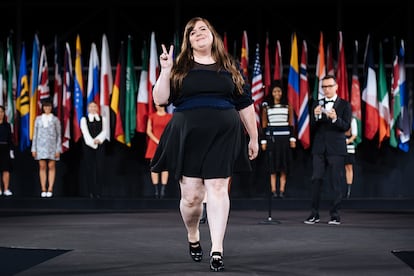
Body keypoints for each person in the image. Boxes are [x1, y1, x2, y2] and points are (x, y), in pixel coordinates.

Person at [150, 17, 259, 272]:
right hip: (188, 134)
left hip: (224, 133)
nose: (198, 34)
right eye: (192, 32)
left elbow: (245, 103)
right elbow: (160, 99)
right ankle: (193, 235)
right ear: (188, 41)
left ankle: (217, 249)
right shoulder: (179, 67)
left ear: (213, 35)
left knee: (219, 188)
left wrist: (253, 137)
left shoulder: (230, 65)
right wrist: (165, 70)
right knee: (191, 198)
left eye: (203, 29)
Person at [304, 75, 351, 225]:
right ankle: (314, 214)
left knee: (336, 182)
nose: (327, 89)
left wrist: (335, 119)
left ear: (336, 87)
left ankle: (335, 215)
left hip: (336, 149)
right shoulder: (316, 104)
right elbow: (311, 127)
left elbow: (346, 126)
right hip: (319, 148)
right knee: (316, 180)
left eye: (330, 86)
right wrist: (316, 116)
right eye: (324, 87)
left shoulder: (344, 105)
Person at [260, 81, 296, 198]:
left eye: (279, 91)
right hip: (272, 140)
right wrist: (263, 141)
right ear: (272, 93)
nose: (277, 93)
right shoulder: (267, 107)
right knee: (273, 166)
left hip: (285, 140)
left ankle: (282, 190)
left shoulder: (287, 106)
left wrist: (292, 138)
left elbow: (291, 123)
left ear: (282, 93)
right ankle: (273, 190)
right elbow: (264, 125)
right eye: (275, 91)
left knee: (283, 165)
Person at [31, 99, 62, 198]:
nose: (47, 108)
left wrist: (58, 149)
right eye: (45, 107)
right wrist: (34, 148)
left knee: (52, 167)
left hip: (52, 146)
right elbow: (35, 134)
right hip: (40, 146)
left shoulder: (55, 119)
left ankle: (50, 188)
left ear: (51, 108)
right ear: (43, 108)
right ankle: (43, 188)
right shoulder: (38, 119)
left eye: (49, 107)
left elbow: (59, 135)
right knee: (42, 167)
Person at [80, 101, 108, 198]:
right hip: (88, 146)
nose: (92, 108)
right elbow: (85, 132)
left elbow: (105, 131)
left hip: (100, 145)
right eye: (91, 107)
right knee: (89, 168)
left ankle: (99, 191)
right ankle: (91, 191)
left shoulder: (102, 119)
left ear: (97, 108)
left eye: (94, 106)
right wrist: (92, 142)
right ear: (88, 109)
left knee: (99, 168)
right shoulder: (84, 119)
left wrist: (99, 139)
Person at [145, 103, 172, 199]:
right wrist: (156, 140)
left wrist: (165, 141)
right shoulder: (152, 116)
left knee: (165, 166)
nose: (157, 106)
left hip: (165, 143)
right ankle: (156, 190)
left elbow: (171, 130)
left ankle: (163, 190)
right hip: (154, 143)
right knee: (154, 165)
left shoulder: (170, 116)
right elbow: (148, 131)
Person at [0, 105, 14, 196]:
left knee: (6, 169)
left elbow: (10, 139)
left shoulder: (7, 125)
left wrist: (11, 151)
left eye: (1, 112)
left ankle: (6, 189)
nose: (0, 114)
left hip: (5, 148)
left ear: (4, 113)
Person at [345, 117, 357, 198]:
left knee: (349, 168)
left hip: (348, 147)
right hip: (336, 146)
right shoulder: (337, 118)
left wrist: (346, 142)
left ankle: (348, 191)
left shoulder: (352, 120)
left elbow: (354, 135)